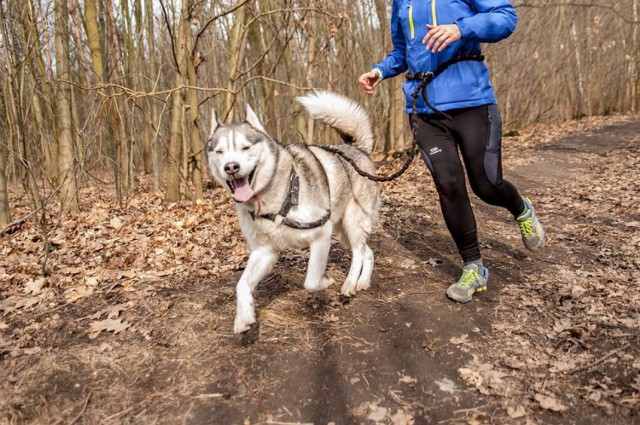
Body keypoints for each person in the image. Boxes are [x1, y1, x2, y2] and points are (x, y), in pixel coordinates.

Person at [358, 0, 545, 303]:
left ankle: (520, 208)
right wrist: (380, 70)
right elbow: (403, 52)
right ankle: (474, 267)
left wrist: (460, 29)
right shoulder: (400, 2)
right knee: (449, 184)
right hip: (423, 109)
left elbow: (506, 18)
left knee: (486, 185)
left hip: (471, 100)